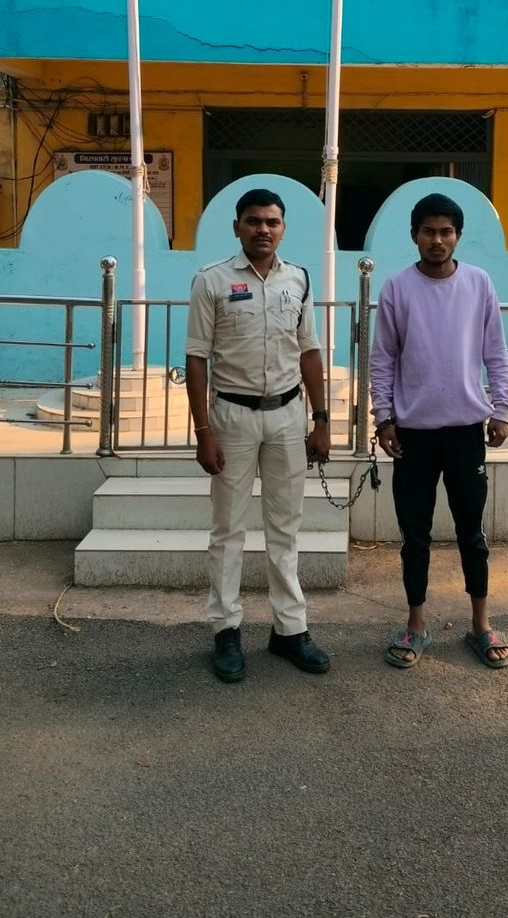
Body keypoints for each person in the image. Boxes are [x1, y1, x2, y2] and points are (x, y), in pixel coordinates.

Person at [185, 188, 331, 682]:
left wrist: (321, 420)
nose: (262, 229)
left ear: (283, 229)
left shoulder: (299, 279)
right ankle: (226, 629)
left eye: (272, 222)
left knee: (285, 528)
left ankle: (290, 630)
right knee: (228, 528)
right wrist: (204, 431)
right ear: (237, 228)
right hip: (232, 418)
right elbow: (196, 358)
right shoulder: (211, 280)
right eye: (253, 221)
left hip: (288, 417)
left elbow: (309, 351)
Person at [370, 193, 508, 670]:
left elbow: (495, 351)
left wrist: (501, 409)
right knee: (415, 535)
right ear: (415, 235)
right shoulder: (397, 288)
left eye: (446, 231)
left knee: (473, 532)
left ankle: (481, 625)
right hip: (413, 434)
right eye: (429, 231)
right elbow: (383, 358)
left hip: (466, 431)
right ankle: (416, 625)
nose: (437, 239)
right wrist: (384, 418)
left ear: (458, 236)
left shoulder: (478, 283)